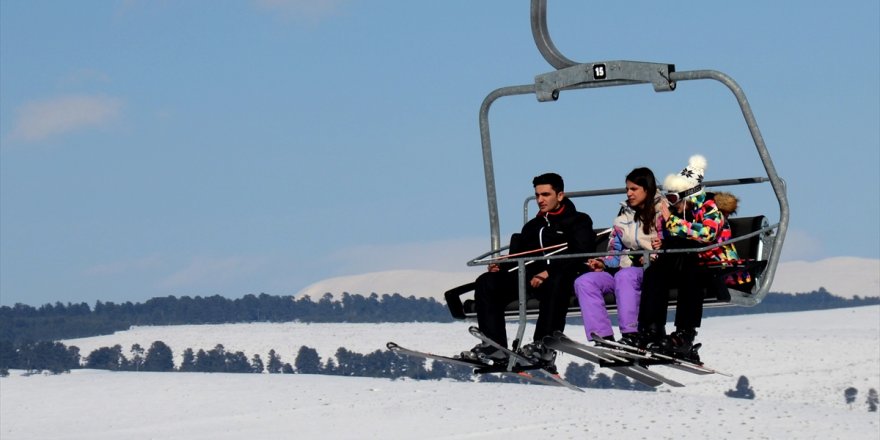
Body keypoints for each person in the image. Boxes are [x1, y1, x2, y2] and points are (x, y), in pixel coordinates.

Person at [461, 173, 595, 370]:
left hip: (561, 278)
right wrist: (502, 267)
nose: (540, 200)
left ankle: (544, 345)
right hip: (531, 279)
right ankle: (494, 346)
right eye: (537, 195)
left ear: (560, 195)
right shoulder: (533, 226)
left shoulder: (578, 221)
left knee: (556, 281)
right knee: (487, 281)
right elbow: (519, 257)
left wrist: (548, 272)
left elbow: (580, 253)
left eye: (546, 194)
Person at [634, 154, 740, 362]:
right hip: (689, 261)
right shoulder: (682, 213)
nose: (671, 204)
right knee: (655, 272)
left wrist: (672, 222)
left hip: (714, 264)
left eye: (674, 198)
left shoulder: (710, 207)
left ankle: (685, 334)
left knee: (692, 274)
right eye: (669, 199)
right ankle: (652, 328)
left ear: (689, 194)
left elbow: (706, 234)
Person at [572, 167, 662, 346]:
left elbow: (670, 242)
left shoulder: (663, 211)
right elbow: (615, 251)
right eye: (627, 189)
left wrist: (654, 256)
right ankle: (603, 337)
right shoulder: (624, 216)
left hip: (652, 273)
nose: (629, 194)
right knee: (585, 281)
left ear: (648, 189)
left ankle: (632, 333)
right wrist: (602, 264)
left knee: (625, 276)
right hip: (624, 273)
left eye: (634, 189)